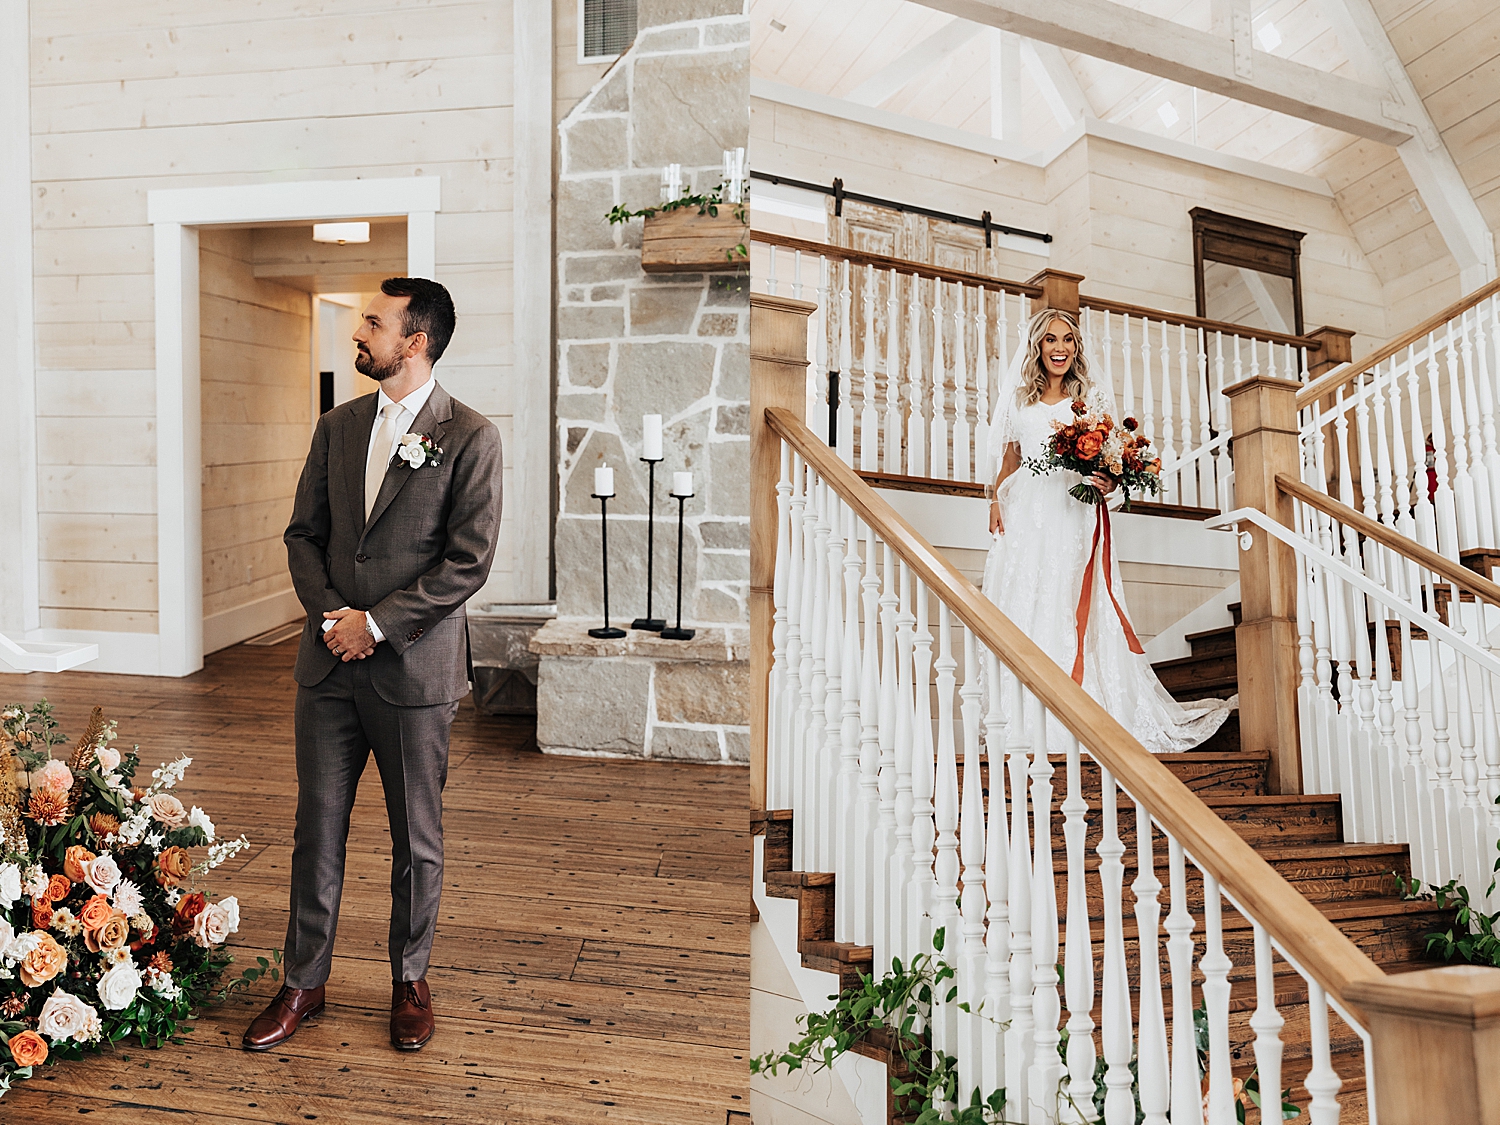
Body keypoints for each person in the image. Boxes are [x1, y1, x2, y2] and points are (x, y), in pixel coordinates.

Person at [243, 277, 503, 1053]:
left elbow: (469, 560)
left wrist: (378, 626)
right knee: (314, 829)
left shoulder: (472, 436)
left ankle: (409, 980)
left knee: (415, 836)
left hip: (413, 673)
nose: (360, 333)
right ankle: (303, 983)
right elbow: (303, 534)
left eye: (373, 322)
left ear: (414, 340)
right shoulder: (338, 426)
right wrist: (334, 621)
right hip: (327, 668)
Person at [981, 308, 1232, 753]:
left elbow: (1111, 456)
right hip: (1027, 515)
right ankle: (1027, 711)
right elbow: (1009, 461)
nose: (1060, 348)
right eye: (1051, 340)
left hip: (1073, 512)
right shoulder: (1019, 400)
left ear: (1076, 348)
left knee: (1070, 596)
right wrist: (995, 502)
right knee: (1029, 599)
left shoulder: (1090, 396)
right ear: (1037, 346)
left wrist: (1111, 479)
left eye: (1068, 341)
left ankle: (1083, 704)